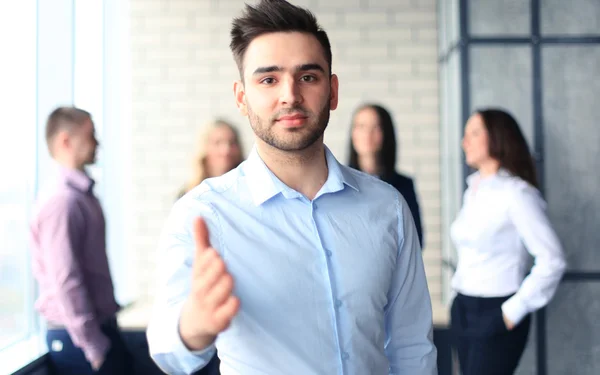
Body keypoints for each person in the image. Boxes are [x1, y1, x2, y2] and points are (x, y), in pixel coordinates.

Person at [147, 0, 437, 374]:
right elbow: (168, 352)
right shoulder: (203, 213)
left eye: (308, 77)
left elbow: (412, 345)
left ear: (332, 91)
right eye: (268, 79)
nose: (290, 95)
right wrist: (194, 326)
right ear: (241, 97)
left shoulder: (388, 207)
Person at [450, 108, 567, 375]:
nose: (464, 141)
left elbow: (553, 260)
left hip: (496, 310)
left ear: (498, 137)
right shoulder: (474, 188)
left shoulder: (517, 194)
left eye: (474, 133)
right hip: (463, 308)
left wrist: (510, 312)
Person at [30, 107, 133, 375]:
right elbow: (66, 280)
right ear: (65, 141)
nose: (97, 143)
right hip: (81, 342)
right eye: (90, 135)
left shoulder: (80, 195)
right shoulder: (63, 201)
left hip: (94, 334)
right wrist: (94, 348)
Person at [348, 103, 424, 248]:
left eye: (376, 127)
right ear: (353, 134)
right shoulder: (338, 183)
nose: (368, 134)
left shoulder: (403, 185)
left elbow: (416, 240)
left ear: (386, 133)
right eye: (361, 126)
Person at [177, 119, 244, 199]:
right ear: (204, 148)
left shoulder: (249, 188)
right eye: (217, 143)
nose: (226, 150)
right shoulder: (188, 194)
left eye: (232, 143)